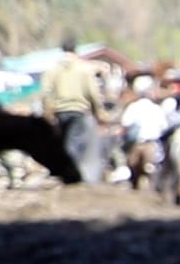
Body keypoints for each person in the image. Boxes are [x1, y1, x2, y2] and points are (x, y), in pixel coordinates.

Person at [39, 37, 109, 184]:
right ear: (75, 50)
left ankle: (63, 171)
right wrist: (99, 111)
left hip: (60, 111)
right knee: (75, 142)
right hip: (78, 110)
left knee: (64, 141)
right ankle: (69, 174)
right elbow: (92, 93)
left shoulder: (53, 70)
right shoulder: (84, 69)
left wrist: (47, 110)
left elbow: (46, 92)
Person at [119, 75, 168, 190]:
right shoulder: (157, 108)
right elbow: (164, 126)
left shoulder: (133, 107)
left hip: (137, 143)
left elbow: (125, 123)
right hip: (152, 144)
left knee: (130, 167)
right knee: (153, 171)